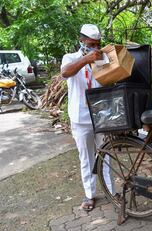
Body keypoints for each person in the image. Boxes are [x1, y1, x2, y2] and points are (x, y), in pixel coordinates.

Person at [61, 24, 113, 211]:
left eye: (98, 44)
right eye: (91, 44)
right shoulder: (70, 58)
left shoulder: (101, 58)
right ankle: (90, 195)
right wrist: (86, 59)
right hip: (80, 118)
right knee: (87, 158)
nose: (95, 48)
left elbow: (108, 80)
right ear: (81, 41)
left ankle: (111, 192)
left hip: (102, 116)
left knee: (107, 155)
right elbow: (65, 72)